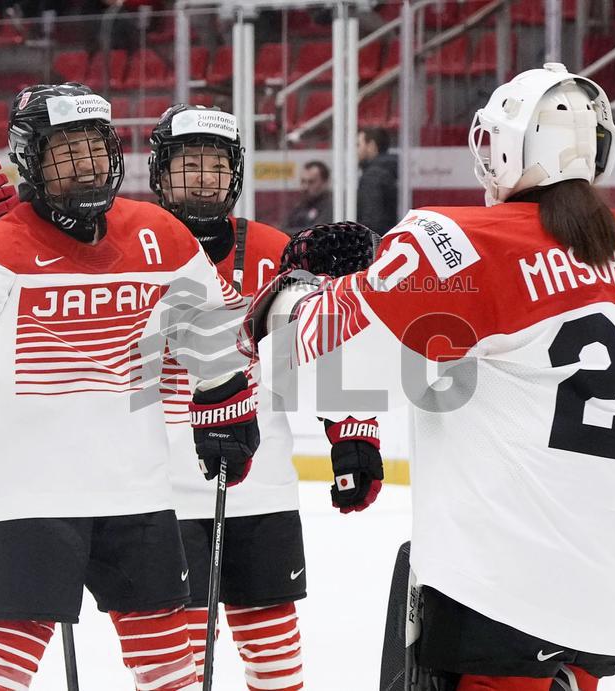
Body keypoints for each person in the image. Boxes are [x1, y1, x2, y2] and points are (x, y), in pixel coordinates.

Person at [245, 63, 615, 690]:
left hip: (496, 613)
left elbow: (321, 371)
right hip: (605, 617)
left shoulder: (462, 243)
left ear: (503, 146)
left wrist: (293, 296)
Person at [0, 82, 258, 691]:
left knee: (169, 653)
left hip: (133, 485)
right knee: (9, 650)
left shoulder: (158, 234)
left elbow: (206, 322)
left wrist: (224, 399)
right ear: (30, 159)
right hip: (26, 490)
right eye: (65, 151)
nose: (84, 165)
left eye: (93, 147)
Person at [148, 104, 383, 690]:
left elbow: (324, 340)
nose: (202, 176)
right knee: (172, 655)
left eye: (215, 164)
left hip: (261, 482)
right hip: (155, 486)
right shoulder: (134, 246)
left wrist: (351, 431)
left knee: (272, 642)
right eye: (188, 163)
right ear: (160, 172)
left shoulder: (277, 249)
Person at [356, 126, 397, 236]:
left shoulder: (373, 175)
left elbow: (371, 221)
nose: (356, 150)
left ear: (371, 146)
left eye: (358, 145)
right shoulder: (390, 169)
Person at [284, 160, 333, 235]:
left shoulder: (331, 206)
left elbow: (317, 233)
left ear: (325, 182)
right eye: (303, 181)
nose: (305, 187)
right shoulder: (300, 206)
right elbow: (283, 228)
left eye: (311, 182)